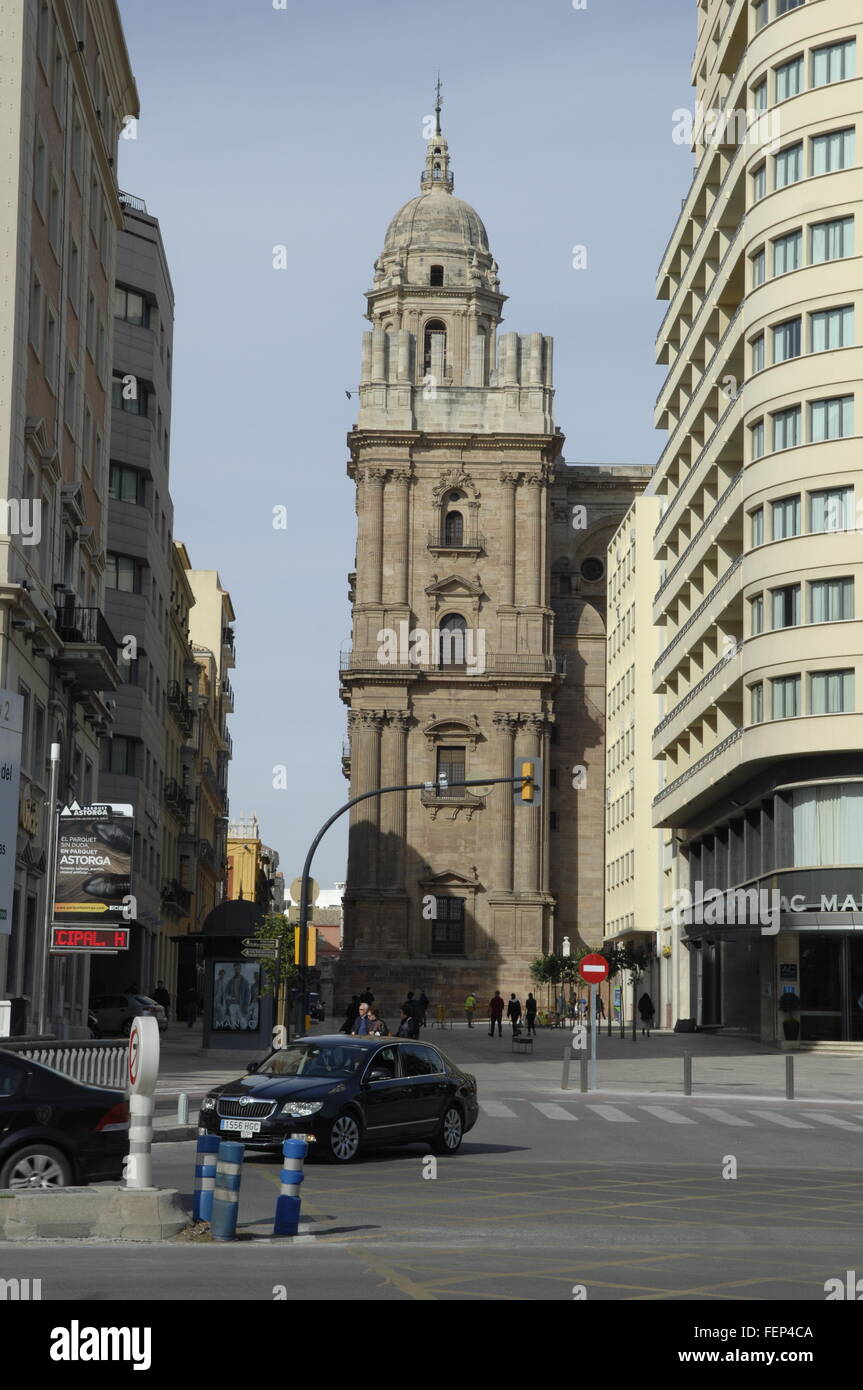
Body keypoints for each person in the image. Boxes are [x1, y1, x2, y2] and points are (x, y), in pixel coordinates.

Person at [225, 963, 251, 1029]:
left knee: (243, 1023)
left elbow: (247, 995)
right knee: (233, 1023)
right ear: (233, 969)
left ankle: (245, 1037)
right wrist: (229, 1001)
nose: (237, 970)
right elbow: (226, 993)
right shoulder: (230, 981)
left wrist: (246, 1005)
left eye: (238, 969)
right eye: (235, 969)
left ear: (240, 969)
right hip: (232, 1004)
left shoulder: (245, 981)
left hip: (240, 1004)